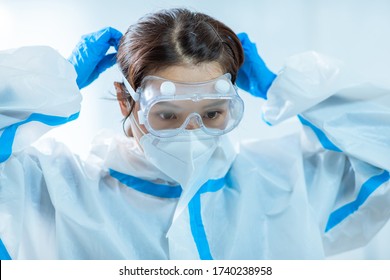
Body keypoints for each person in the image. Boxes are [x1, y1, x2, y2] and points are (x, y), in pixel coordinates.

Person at [1, 8, 389, 260]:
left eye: (213, 113)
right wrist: (50, 83)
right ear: (126, 102)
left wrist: (285, 89)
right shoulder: (53, 189)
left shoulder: (285, 182)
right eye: (168, 115)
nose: (192, 133)